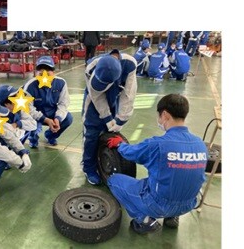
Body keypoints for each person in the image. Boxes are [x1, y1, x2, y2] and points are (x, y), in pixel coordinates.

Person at [106, 94, 208, 234]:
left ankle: (145, 221)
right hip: (188, 204)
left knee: (114, 181)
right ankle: (172, 217)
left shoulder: (157, 144)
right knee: (175, 176)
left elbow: (132, 153)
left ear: (165, 115)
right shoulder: (200, 144)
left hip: (158, 205)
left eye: (159, 116)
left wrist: (119, 144)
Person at [81, 49, 138, 185]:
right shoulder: (91, 67)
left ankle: (102, 158)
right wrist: (107, 118)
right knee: (91, 134)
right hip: (93, 101)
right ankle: (88, 167)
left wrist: (120, 120)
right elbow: (97, 97)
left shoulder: (130, 64)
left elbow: (128, 95)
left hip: (115, 96)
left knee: (111, 131)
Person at [21, 55, 72, 147]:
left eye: (48, 70)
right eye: (40, 71)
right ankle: (33, 138)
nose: (44, 74)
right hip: (35, 114)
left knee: (68, 118)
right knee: (30, 123)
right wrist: (45, 119)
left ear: (54, 72)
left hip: (52, 112)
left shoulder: (61, 83)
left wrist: (57, 118)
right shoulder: (29, 86)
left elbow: (63, 103)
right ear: (36, 73)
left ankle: (50, 135)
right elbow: (28, 109)